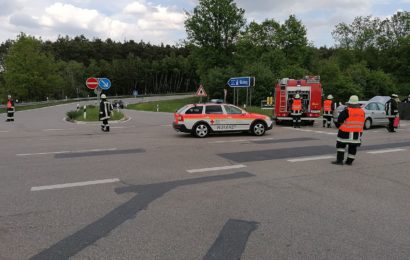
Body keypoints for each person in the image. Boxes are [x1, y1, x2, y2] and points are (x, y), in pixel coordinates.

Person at [332, 95, 365, 166]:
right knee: (353, 147)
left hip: (345, 133)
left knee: (341, 146)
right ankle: (349, 161)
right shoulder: (362, 112)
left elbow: (339, 120)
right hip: (357, 133)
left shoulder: (346, 111)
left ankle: (340, 160)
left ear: (350, 103)